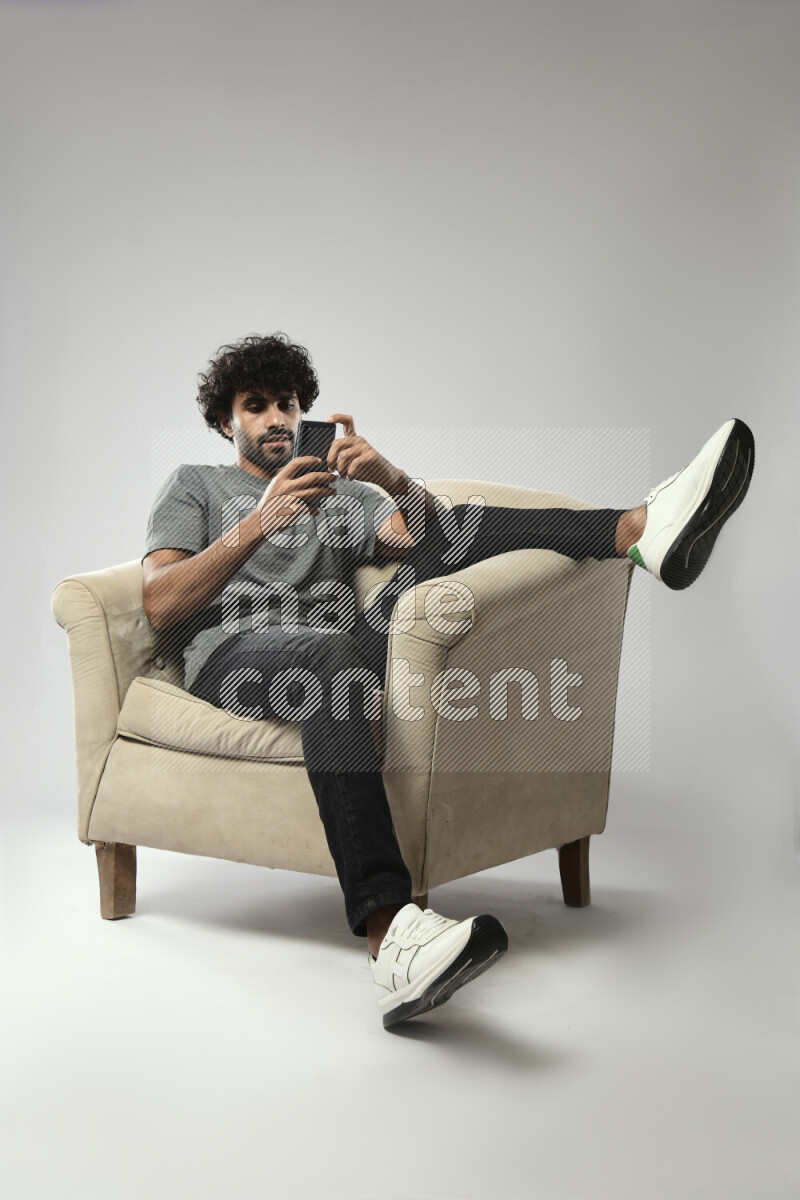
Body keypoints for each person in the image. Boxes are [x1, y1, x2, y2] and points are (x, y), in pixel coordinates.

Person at [142, 332, 755, 1030]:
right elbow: (161, 602)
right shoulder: (195, 485)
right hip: (237, 651)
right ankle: (391, 935)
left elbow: (439, 543)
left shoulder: (340, 497)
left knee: (433, 552)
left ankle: (639, 529)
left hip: (339, 639)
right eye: (257, 406)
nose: (278, 419)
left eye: (287, 403)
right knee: (328, 665)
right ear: (228, 421)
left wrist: (392, 479)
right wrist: (258, 523)